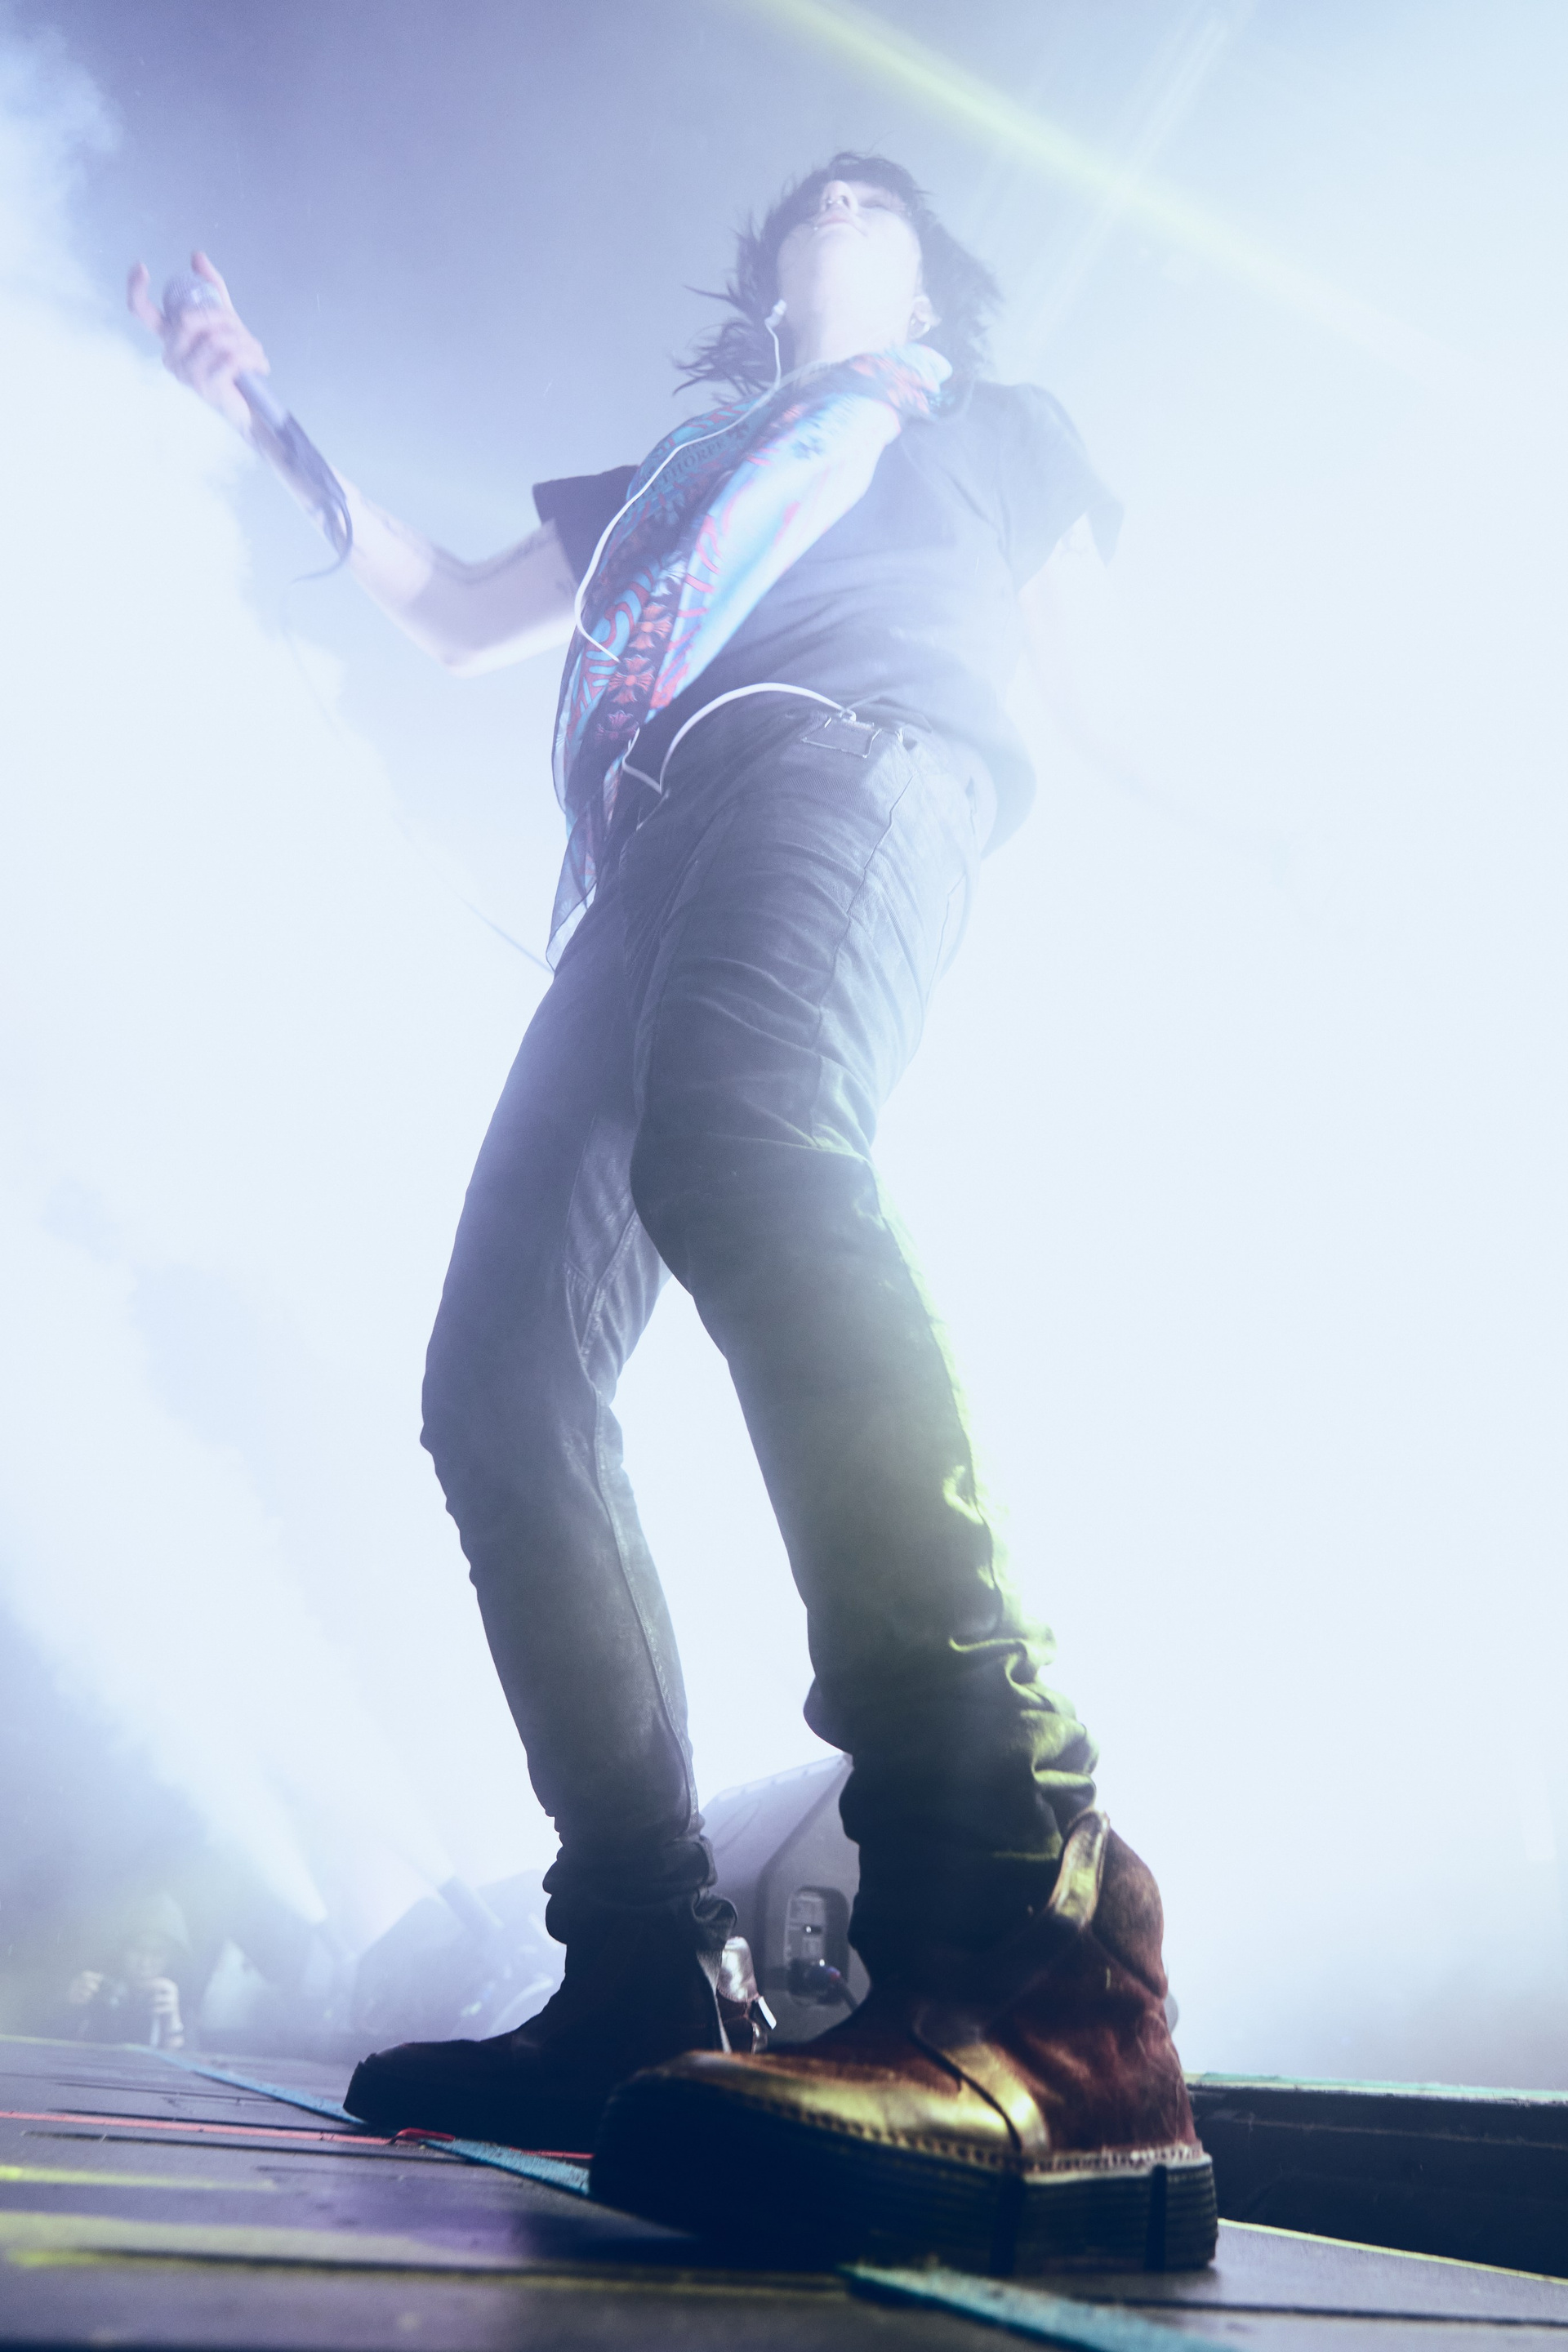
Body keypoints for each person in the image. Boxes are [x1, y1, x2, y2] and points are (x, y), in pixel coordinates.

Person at [131, 154, 1214, 2272]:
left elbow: (1103, 697)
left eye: (883, 196)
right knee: (498, 1388)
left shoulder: (987, 428)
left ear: (927, 280)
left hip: (856, 762)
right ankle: (642, 1962)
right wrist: (259, 414)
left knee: (755, 1144)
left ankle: (1032, 1946)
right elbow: (455, 614)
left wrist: (1278, 832)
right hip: (641, 857)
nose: (844, 199)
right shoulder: (665, 486)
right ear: (767, 270)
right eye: (820, 192)